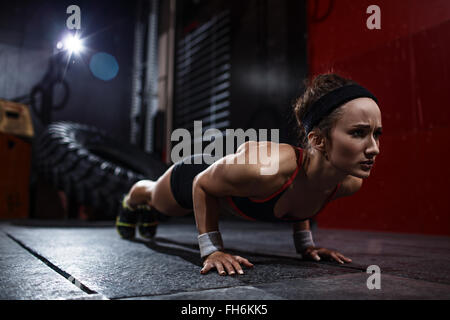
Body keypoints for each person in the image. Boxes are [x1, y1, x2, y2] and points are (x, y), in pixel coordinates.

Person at [115, 73, 383, 276]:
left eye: (376, 134)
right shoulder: (269, 168)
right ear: (319, 140)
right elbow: (202, 184)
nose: (374, 148)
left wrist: (306, 247)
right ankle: (134, 197)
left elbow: (306, 196)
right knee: (158, 201)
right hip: (196, 177)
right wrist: (212, 250)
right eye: (358, 133)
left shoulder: (347, 182)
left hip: (228, 187)